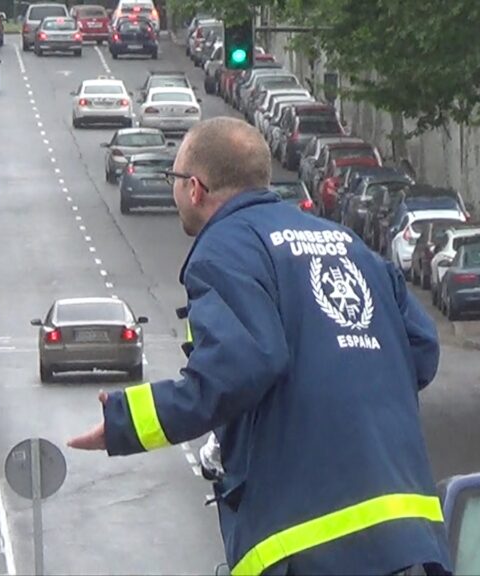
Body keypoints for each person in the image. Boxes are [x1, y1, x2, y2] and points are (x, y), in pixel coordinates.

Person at [68, 117, 451, 576]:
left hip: (307, 543)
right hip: (410, 537)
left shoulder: (225, 249)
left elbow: (241, 364)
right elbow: (422, 348)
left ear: (195, 188)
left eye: (174, 179)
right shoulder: (348, 243)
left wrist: (125, 423)